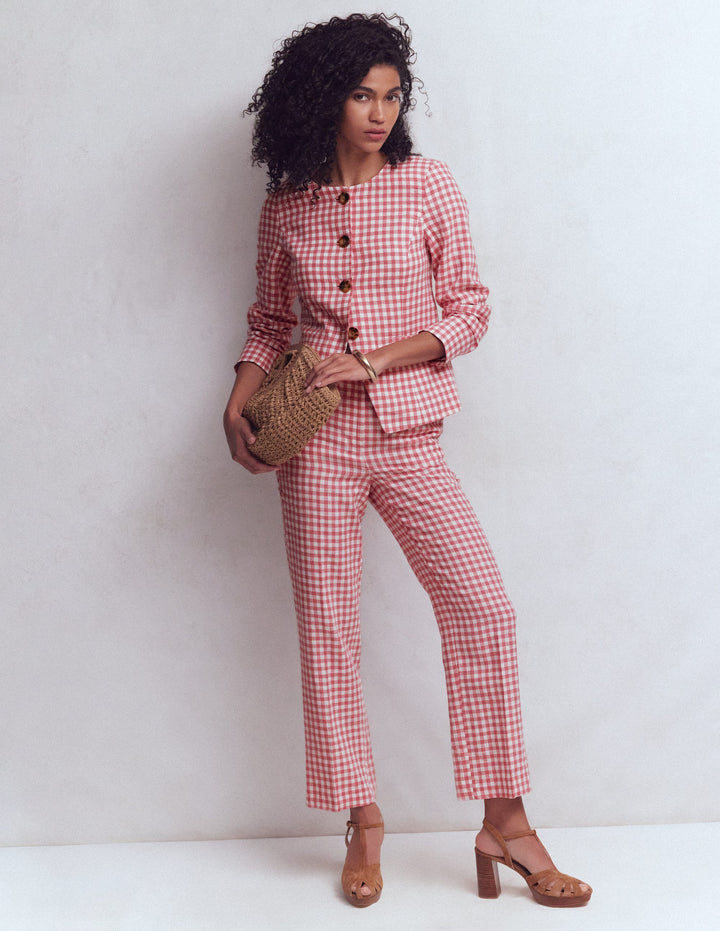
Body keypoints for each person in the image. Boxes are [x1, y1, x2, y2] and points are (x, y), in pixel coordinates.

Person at [224, 12, 592, 910]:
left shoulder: (428, 186)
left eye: (392, 96)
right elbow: (270, 323)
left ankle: (505, 820)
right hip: (315, 441)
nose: (380, 112)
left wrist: (378, 358)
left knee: (483, 606)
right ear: (324, 100)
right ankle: (363, 820)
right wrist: (239, 395)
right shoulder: (286, 208)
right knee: (329, 626)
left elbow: (469, 308)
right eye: (361, 95)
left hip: (408, 432)